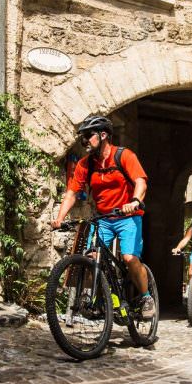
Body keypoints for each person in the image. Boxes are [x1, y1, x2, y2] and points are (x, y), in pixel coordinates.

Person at [51, 115, 155, 319]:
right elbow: (71, 193)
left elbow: (140, 182)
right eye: (83, 137)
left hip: (128, 217)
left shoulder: (124, 156)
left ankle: (145, 296)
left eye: (89, 136)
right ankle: (100, 299)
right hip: (102, 219)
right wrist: (59, 218)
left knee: (129, 258)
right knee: (92, 258)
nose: (84, 141)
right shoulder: (85, 164)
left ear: (103, 135)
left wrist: (134, 201)